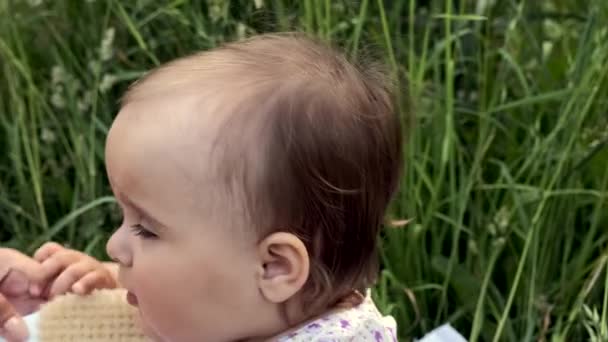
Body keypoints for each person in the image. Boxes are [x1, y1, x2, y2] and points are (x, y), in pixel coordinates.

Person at [2, 32, 405, 341]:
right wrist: (108, 292)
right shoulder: (271, 306)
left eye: (146, 229)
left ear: (275, 266)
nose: (113, 246)